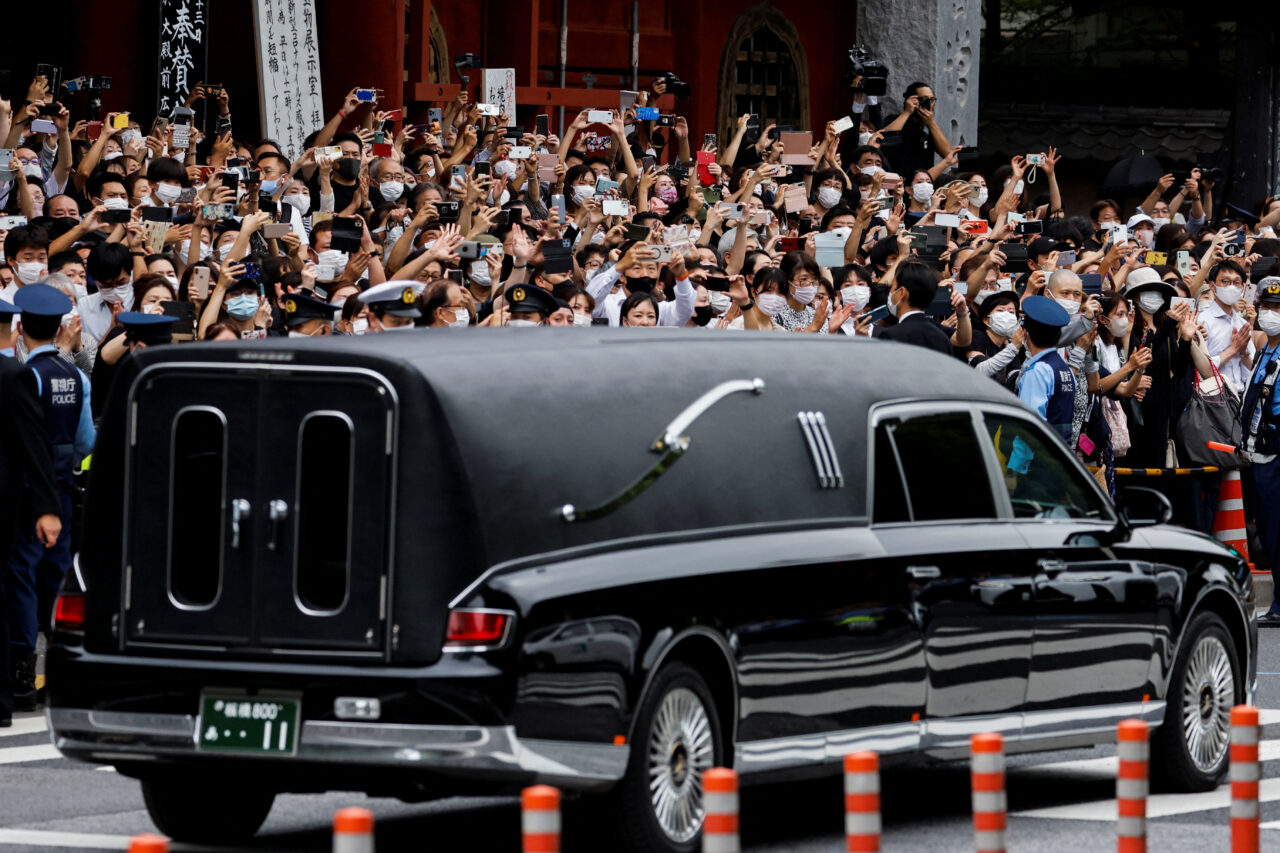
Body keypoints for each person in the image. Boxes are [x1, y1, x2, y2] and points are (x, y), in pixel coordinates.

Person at [5, 284, 93, 712]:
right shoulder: (74, 374)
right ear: (61, 327)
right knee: (58, 578)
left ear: (20, 328)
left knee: (21, 576)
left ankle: (22, 673)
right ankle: (60, 670)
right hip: (63, 490)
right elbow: (85, 441)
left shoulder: (28, 375)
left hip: (26, 494)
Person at [1245, 280, 1280, 625]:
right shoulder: (1265, 352)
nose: (1272, 314)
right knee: (1270, 530)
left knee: (1277, 531)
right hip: (1262, 454)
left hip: (1276, 451)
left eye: (1279, 309)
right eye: (1268, 308)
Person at [1016, 295, 1077, 443]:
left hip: (1039, 460)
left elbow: (1030, 429)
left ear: (1025, 334)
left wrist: (1016, 465)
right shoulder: (1065, 369)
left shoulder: (1038, 371)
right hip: (1061, 456)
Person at [879, 261, 952, 354]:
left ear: (902, 293)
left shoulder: (891, 336)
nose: (890, 292)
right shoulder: (942, 338)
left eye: (892, 287)